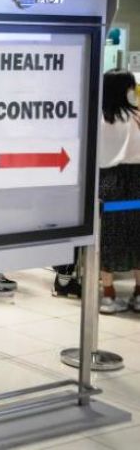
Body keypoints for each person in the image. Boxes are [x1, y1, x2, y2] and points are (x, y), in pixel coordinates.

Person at [98, 70, 140, 313]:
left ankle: (109, 295)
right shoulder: (136, 116)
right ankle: (138, 293)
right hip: (137, 180)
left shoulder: (101, 119)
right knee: (137, 237)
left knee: (109, 238)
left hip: (109, 182)